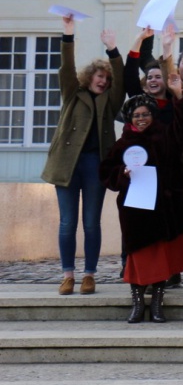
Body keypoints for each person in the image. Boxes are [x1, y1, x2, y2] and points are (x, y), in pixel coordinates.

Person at [101, 80, 183, 324]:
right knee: (138, 256)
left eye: (145, 114)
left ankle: (157, 303)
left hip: (161, 208)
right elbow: (106, 172)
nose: (141, 119)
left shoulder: (165, 136)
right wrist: (122, 173)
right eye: (137, 115)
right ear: (129, 119)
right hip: (134, 211)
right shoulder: (122, 144)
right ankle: (137, 304)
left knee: (160, 258)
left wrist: (179, 96)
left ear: (152, 116)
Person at [43, 15, 123, 296]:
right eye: (100, 76)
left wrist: (113, 50)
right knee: (67, 222)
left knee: (91, 223)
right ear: (90, 77)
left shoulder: (110, 101)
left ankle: (89, 274)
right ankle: (67, 275)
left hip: (95, 165)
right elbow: (66, 68)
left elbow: (121, 81)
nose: (104, 81)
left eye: (107, 79)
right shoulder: (72, 93)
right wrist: (68, 34)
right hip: (67, 164)